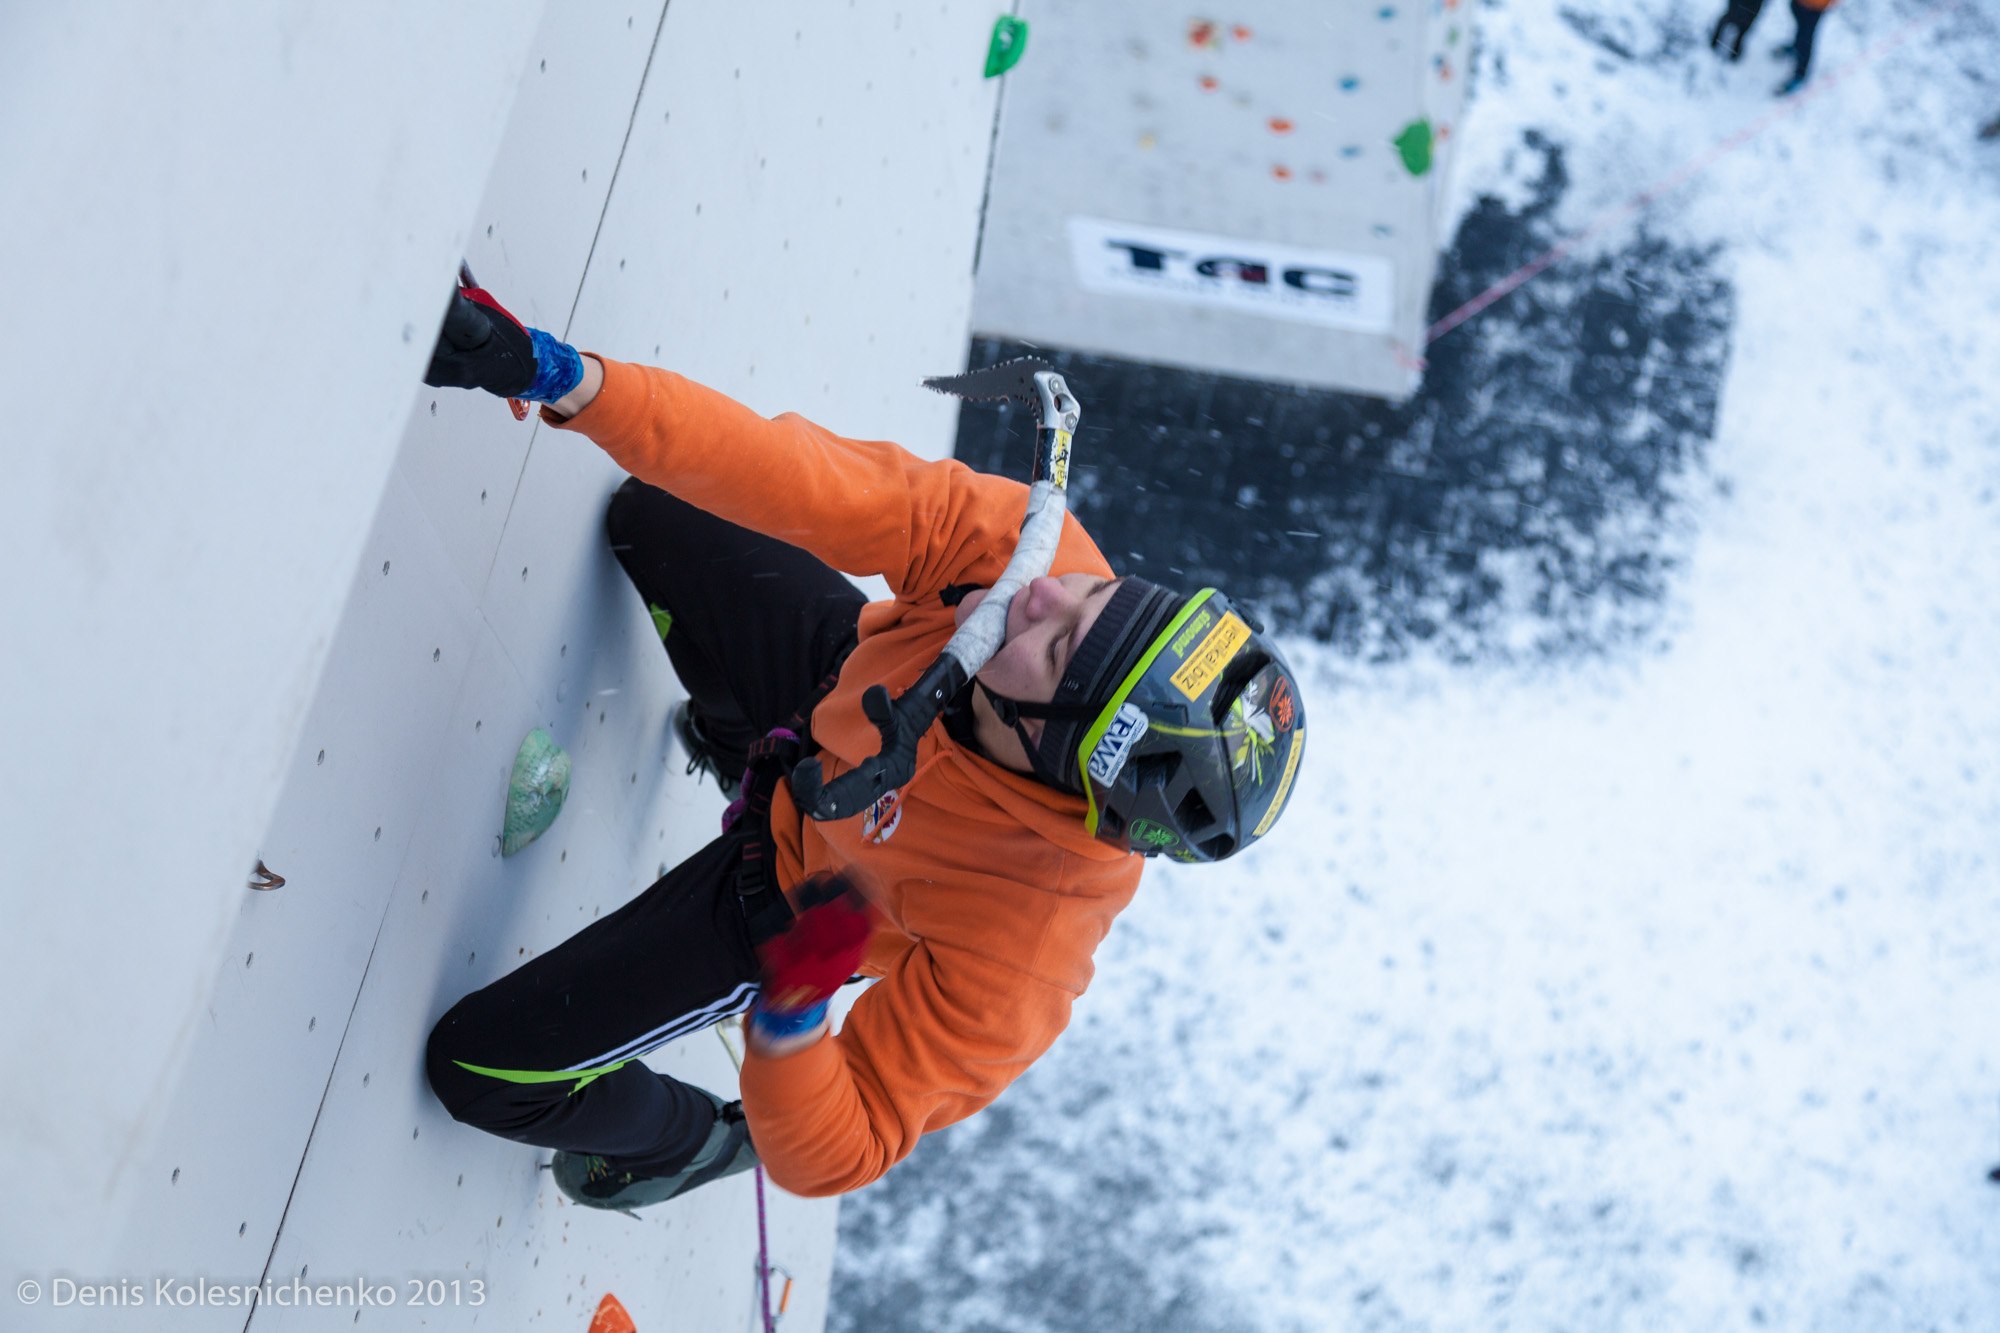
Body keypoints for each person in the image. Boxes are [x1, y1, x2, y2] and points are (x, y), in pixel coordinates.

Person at [417, 281, 1309, 1210]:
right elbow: (788, 473)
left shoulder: (1023, 943)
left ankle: (686, 1141)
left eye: (1052, 648)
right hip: (846, 695)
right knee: (656, 512)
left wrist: (796, 1012)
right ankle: (740, 739)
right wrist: (561, 375)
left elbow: (853, 1139)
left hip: (790, 902)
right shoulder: (1032, 555)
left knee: (481, 1069)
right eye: (1096, 596)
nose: (1039, 595)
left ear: (1059, 755)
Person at [1709, 0, 1839, 95]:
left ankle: (1800, 73)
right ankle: (1795, 47)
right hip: (1801, 3)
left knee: (1805, 36)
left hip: (1814, 6)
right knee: (1800, 28)